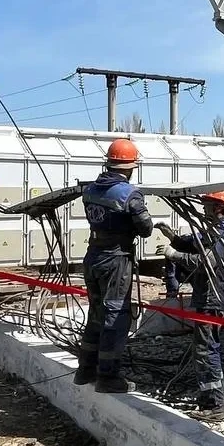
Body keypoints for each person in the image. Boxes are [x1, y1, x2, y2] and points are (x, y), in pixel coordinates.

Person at [74, 138, 154, 393]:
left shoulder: (90, 190)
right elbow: (146, 228)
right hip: (115, 259)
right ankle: (107, 376)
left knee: (96, 313)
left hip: (93, 255)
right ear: (130, 167)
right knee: (116, 316)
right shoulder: (129, 194)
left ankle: (85, 370)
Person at [156, 191, 224, 422]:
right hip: (209, 297)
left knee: (206, 350)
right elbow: (194, 245)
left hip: (214, 299)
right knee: (205, 349)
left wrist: (174, 255)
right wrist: (174, 238)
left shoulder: (223, 233)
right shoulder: (212, 231)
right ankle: (212, 398)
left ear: (218, 208)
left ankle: (215, 405)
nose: (202, 208)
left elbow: (206, 262)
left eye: (206, 204)